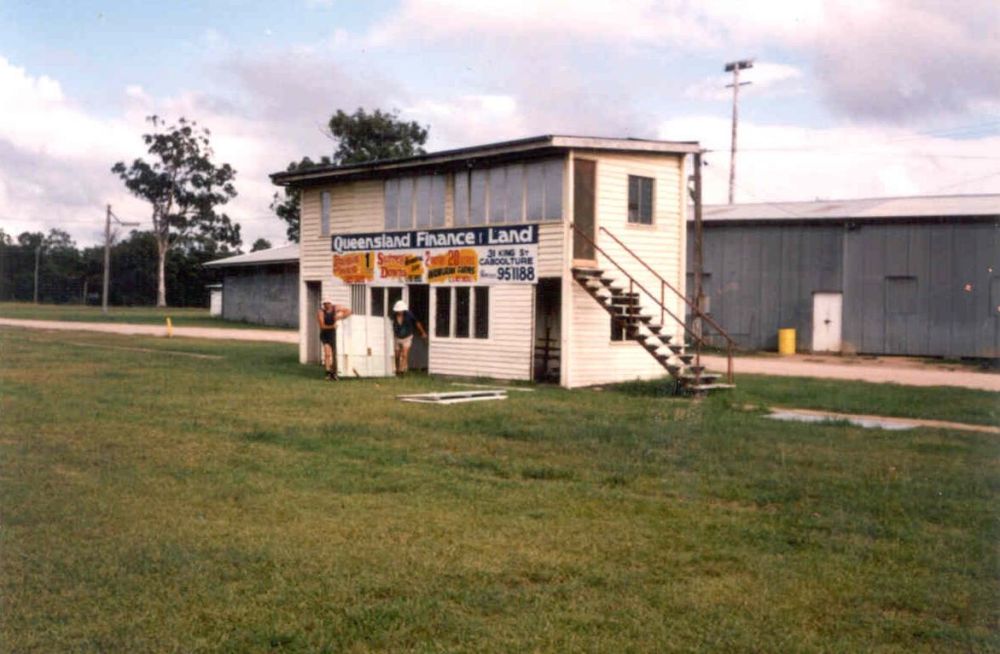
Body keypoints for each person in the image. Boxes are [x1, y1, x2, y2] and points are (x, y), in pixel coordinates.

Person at [317, 299, 352, 380]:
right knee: (327, 354)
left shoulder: (335, 308)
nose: (326, 305)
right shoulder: (321, 312)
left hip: (334, 335)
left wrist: (341, 317)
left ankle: (334, 372)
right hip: (325, 334)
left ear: (331, 303)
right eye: (325, 304)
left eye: (328, 303)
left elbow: (349, 311)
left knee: (335, 354)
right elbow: (322, 326)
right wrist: (332, 326)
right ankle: (328, 372)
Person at [391, 300, 427, 376]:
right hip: (397, 337)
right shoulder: (394, 316)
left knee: (404, 353)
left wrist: (423, 332)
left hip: (407, 336)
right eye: (398, 310)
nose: (399, 312)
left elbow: (417, 323)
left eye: (401, 310)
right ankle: (397, 370)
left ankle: (402, 370)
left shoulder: (409, 315)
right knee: (397, 355)